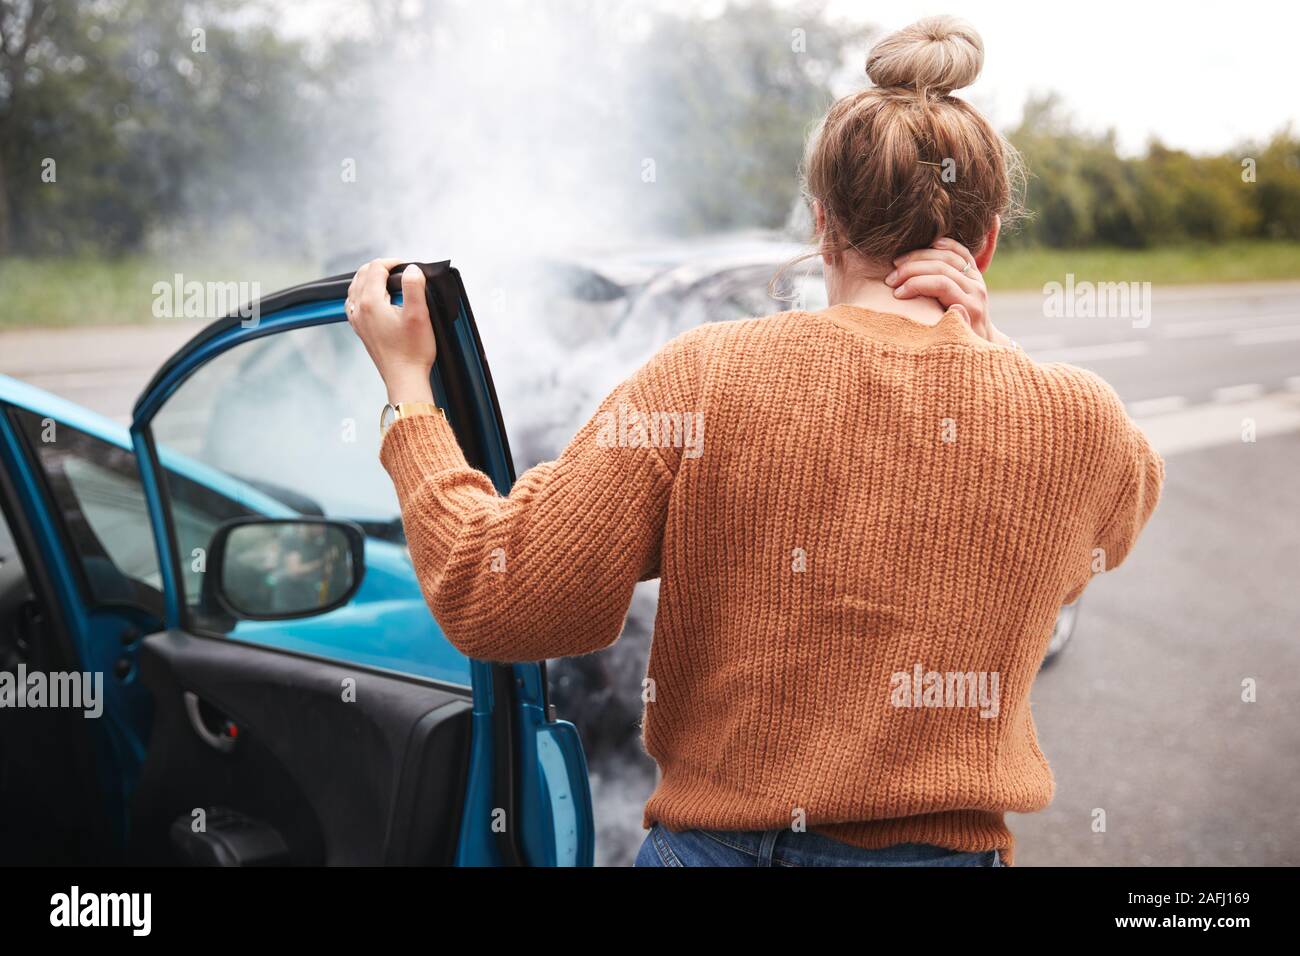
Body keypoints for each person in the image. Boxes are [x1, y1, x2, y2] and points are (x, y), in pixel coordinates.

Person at [345, 15, 1164, 867]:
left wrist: (410, 394)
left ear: (822, 226)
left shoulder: (705, 375)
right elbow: (1120, 511)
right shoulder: (1076, 417)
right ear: (986, 240)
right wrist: (992, 352)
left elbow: (496, 593)